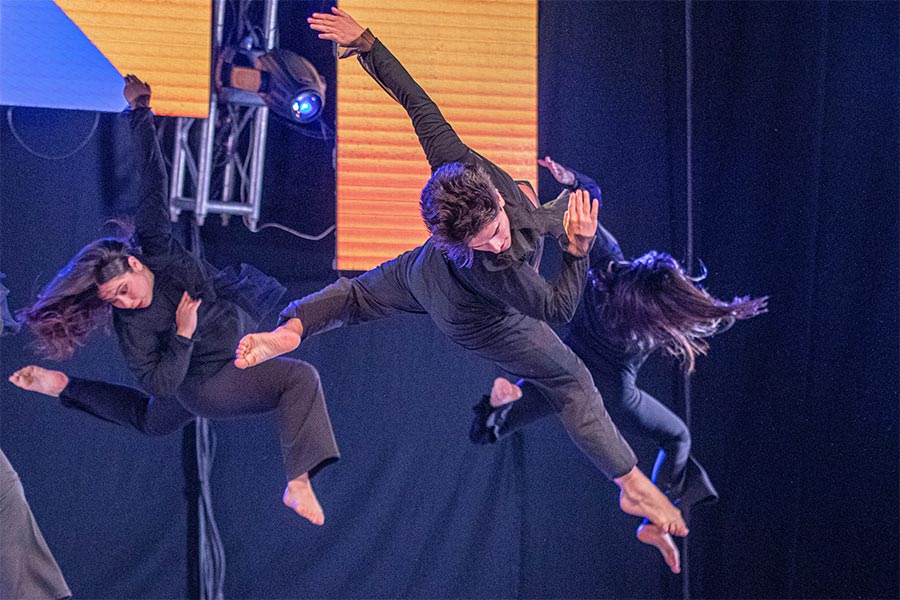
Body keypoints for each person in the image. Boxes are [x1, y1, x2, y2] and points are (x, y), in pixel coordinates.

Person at [234, 7, 688, 537]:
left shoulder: (455, 162)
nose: (498, 241)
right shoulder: (504, 266)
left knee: (355, 296)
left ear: (490, 192)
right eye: (485, 240)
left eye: (496, 226)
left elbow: (417, 103)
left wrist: (367, 43)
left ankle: (289, 331)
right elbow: (557, 308)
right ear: (459, 240)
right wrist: (579, 251)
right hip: (476, 317)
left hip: (423, 272)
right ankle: (632, 485)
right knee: (572, 381)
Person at [12, 75, 339, 526]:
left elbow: (152, 180)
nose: (123, 303)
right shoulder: (133, 328)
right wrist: (182, 334)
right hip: (205, 380)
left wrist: (140, 110)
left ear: (135, 264)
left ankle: (61, 387)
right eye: (113, 301)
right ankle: (298, 484)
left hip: (230, 333)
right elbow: (163, 385)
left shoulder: (157, 247)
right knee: (300, 379)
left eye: (123, 291)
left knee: (150, 422)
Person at [470, 157, 768, 573]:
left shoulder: (608, 262)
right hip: (614, 394)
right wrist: (720, 313)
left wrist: (573, 179)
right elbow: (695, 314)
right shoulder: (655, 320)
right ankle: (652, 515)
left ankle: (505, 402)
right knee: (677, 437)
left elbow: (586, 204)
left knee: (496, 426)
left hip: (564, 370)